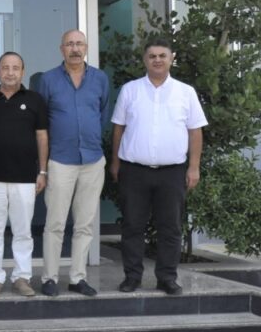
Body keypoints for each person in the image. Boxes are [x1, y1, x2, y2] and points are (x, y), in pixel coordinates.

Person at [110, 37, 207, 296]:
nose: (157, 60)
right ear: (145, 59)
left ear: (171, 59)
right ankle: (132, 277)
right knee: (132, 226)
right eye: (152, 56)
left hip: (172, 172)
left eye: (162, 55)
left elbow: (195, 132)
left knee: (170, 228)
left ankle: (167, 278)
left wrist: (194, 167)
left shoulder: (185, 92)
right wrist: (116, 163)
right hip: (134, 171)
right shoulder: (130, 90)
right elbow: (119, 128)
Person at [37, 30, 109, 297]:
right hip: (60, 159)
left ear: (86, 47)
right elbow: (41, 121)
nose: (75, 48)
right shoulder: (48, 80)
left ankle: (78, 278)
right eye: (70, 44)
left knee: (85, 224)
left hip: (92, 159)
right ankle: (49, 278)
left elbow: (102, 114)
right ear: (62, 49)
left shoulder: (100, 79)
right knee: (55, 223)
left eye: (79, 44)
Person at [0, 52, 49, 297]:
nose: (10, 72)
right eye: (5, 67)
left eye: (15, 68)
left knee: (23, 231)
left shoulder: (35, 100)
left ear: (22, 71)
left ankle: (22, 277)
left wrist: (42, 171)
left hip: (25, 177)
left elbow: (42, 136)